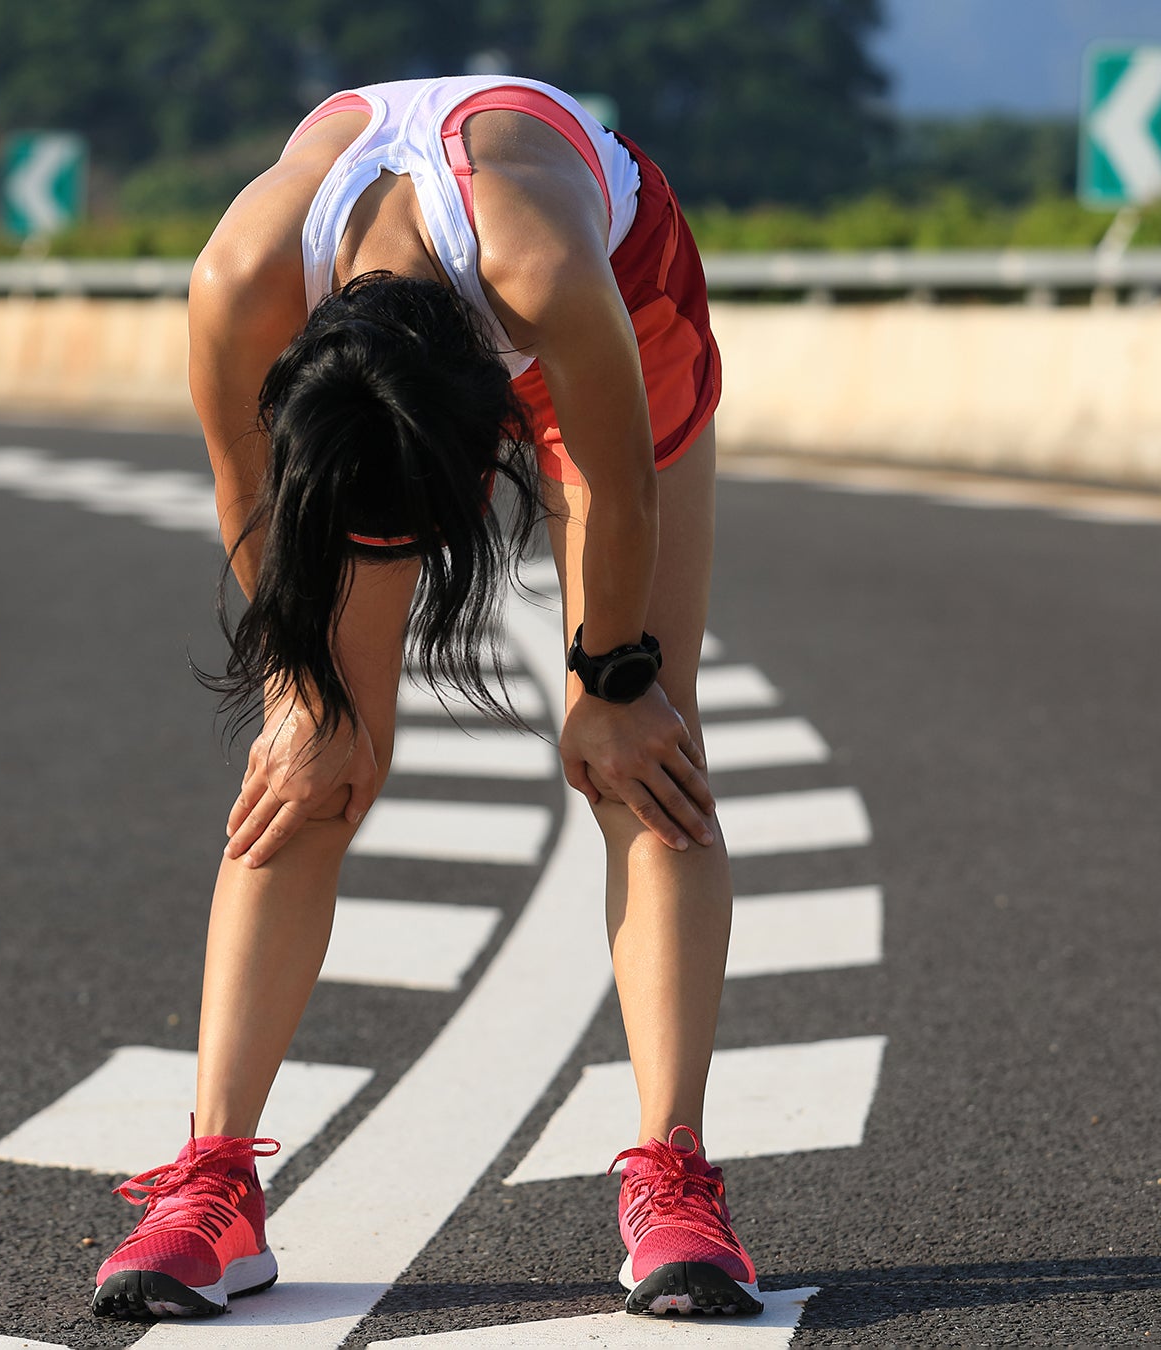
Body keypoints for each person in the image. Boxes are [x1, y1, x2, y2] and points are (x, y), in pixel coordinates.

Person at [88, 74, 755, 1323]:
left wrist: (612, 682)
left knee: (649, 754)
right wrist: (305, 688)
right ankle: (214, 1185)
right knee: (311, 758)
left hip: (621, 292)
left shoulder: (549, 273)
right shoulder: (244, 282)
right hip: (367, 371)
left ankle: (674, 1180)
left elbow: (617, 486)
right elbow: (252, 504)